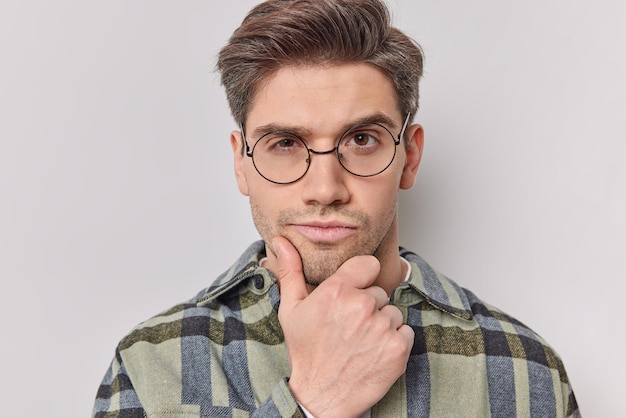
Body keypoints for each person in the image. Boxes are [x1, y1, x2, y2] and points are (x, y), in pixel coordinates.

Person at [93, 1, 580, 417]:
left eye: (362, 139)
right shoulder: (151, 363)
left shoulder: (526, 371)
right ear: (241, 164)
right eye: (284, 143)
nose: (325, 189)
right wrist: (311, 402)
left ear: (408, 157)